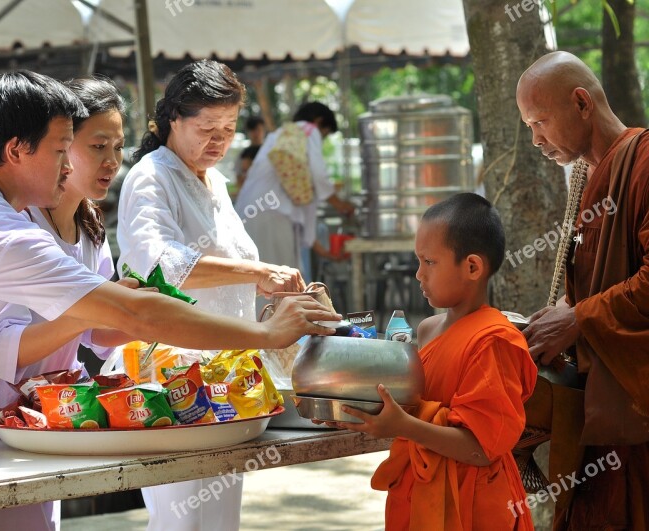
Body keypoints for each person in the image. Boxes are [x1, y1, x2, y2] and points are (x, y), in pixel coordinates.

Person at [0, 70, 340, 455]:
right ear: (16, 149)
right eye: (66, 150)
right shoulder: (7, 235)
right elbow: (135, 316)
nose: (71, 168)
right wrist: (268, 335)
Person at [0, 77, 131, 531]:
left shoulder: (91, 226)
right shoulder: (19, 225)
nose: (112, 162)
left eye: (118, 147)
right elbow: (2, 350)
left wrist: (146, 315)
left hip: (52, 416)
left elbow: (98, 338)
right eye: (95, 146)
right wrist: (103, 308)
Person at [117, 59, 303, 531]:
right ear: (173, 119)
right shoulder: (151, 177)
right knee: (183, 515)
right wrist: (257, 271)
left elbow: (227, 271)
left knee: (217, 515)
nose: (218, 141)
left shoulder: (214, 179)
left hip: (227, 379)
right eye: (206, 128)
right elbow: (158, 263)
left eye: (228, 128)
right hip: (172, 375)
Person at [324, 193, 537, 530]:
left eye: (429, 262)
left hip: (473, 501)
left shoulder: (494, 340)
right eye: (418, 261)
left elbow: (482, 448)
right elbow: (413, 405)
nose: (418, 274)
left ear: (472, 267)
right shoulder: (427, 329)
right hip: (420, 487)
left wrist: (403, 427)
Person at [518, 51, 649, 529]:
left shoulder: (644, 163)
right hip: (600, 408)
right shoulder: (586, 178)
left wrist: (577, 319)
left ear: (580, 103)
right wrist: (558, 315)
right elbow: (592, 280)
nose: (534, 139)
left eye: (539, 122)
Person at [235, 102, 354, 275]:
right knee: (278, 284)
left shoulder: (280, 135)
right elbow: (319, 176)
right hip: (271, 216)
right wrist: (339, 204)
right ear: (318, 122)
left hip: (250, 214)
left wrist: (326, 253)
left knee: (261, 284)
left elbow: (305, 207)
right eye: (325, 134)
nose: (321, 139)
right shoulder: (308, 129)